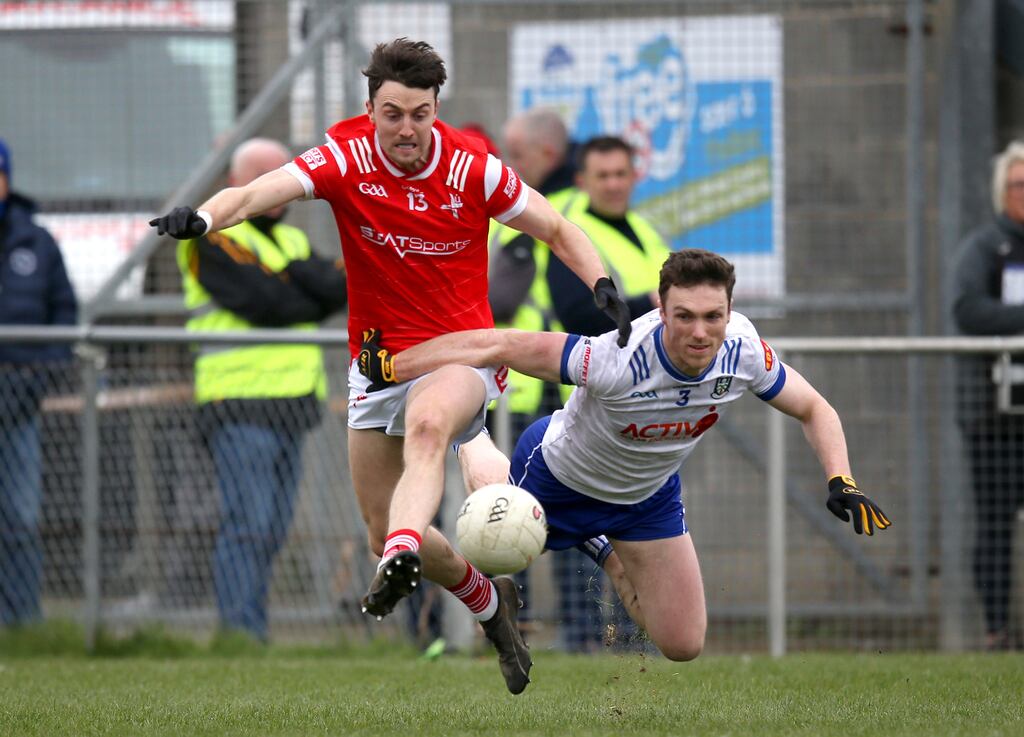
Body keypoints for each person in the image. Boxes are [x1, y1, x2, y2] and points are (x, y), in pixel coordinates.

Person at [150, 38, 630, 693]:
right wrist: (203, 217)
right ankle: (491, 608)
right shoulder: (345, 156)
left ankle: (413, 547)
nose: (407, 128)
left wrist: (601, 281)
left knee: (436, 429)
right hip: (378, 362)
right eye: (393, 113)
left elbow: (554, 228)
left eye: (421, 114)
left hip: (461, 349)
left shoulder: (473, 167)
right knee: (378, 526)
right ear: (370, 108)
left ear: (438, 110)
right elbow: (263, 189)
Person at [358, 248, 892, 666]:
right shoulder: (614, 358)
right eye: (684, 316)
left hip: (646, 499)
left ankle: (603, 549)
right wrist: (396, 367)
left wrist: (841, 479)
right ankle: (471, 441)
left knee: (683, 644)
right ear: (660, 309)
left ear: (731, 311)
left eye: (714, 316)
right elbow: (498, 344)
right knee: (496, 550)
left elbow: (815, 408)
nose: (700, 332)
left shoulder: (744, 350)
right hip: (558, 478)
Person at [174, 137, 347, 642]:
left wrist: (295, 283)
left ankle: (252, 629)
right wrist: (300, 287)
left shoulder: (289, 243)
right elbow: (265, 303)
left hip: (293, 405)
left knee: (271, 528)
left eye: (284, 180)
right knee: (246, 524)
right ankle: (240, 632)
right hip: (239, 404)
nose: (280, 192)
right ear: (238, 183)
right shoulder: (209, 235)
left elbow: (337, 287)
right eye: (266, 179)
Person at [544, 134, 673, 651]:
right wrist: (648, 301)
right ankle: (581, 635)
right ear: (583, 180)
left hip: (648, 402)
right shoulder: (574, 234)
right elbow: (576, 313)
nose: (615, 184)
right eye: (604, 176)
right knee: (582, 519)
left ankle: (631, 636)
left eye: (623, 173)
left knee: (633, 523)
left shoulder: (643, 229)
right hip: (595, 402)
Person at [0, 137, 78, 626]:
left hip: (19, 400)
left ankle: (21, 624)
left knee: (19, 518)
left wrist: (41, 372)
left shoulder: (37, 241)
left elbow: (63, 314)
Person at [952, 139, 1024, 651]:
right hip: (994, 417)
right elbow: (969, 310)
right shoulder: (983, 248)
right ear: (1004, 192)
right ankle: (997, 628)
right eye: (1020, 184)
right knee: (995, 523)